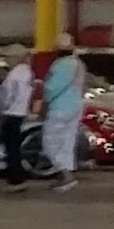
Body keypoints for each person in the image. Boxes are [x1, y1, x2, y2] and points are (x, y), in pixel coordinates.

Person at [38, 40, 87, 191]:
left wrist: (43, 104)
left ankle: (65, 175)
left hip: (60, 108)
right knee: (67, 142)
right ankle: (67, 176)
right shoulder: (79, 64)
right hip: (75, 106)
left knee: (50, 143)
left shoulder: (61, 65)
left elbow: (52, 88)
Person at [0, 45, 37, 191]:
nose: (6, 60)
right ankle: (16, 177)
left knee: (11, 148)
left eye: (7, 57)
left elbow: (9, 96)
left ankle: (16, 179)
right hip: (19, 112)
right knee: (13, 147)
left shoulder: (16, 73)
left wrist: (0, 110)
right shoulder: (27, 72)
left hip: (11, 113)